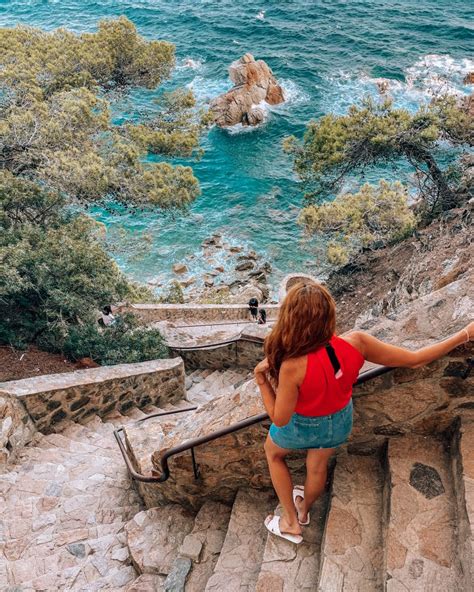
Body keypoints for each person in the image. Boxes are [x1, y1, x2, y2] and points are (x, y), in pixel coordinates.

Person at [254, 281, 473, 544]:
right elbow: (415, 359)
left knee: (273, 453)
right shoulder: (357, 342)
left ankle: (291, 523)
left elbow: (280, 418)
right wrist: (465, 334)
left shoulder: (292, 365)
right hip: (338, 422)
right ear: (329, 314)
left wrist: (261, 379)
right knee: (316, 468)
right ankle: (303, 511)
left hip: (302, 426)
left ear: (291, 319)